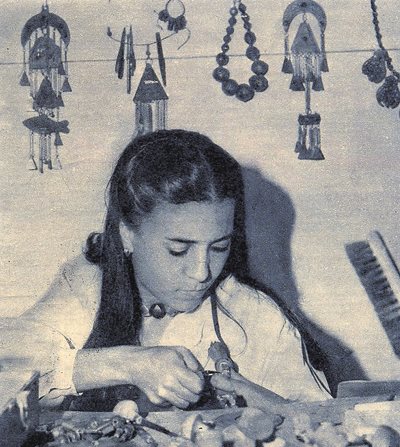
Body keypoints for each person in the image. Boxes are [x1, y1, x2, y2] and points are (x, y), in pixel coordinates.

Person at [1, 129, 330, 411]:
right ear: (127, 234)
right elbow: (8, 372)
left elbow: (325, 424)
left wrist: (256, 398)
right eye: (179, 249)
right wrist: (125, 364)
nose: (202, 272)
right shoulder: (85, 288)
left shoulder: (251, 314)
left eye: (219, 247)